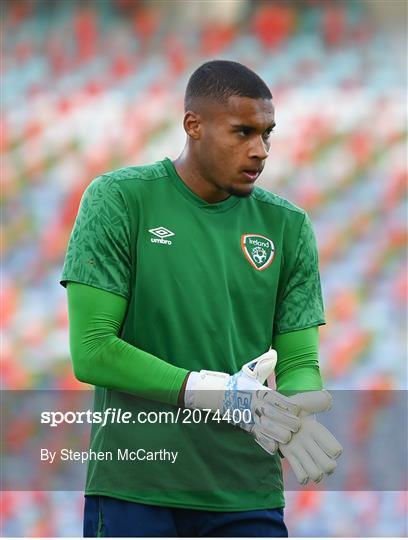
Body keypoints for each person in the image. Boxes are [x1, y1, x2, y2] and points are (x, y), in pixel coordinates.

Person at [61, 60, 342, 537]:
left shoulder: (287, 227)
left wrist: (294, 409)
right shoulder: (119, 200)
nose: (261, 150)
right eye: (243, 133)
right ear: (193, 125)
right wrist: (214, 391)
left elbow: (297, 360)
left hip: (246, 492)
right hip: (138, 485)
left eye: (267, 135)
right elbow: (92, 350)